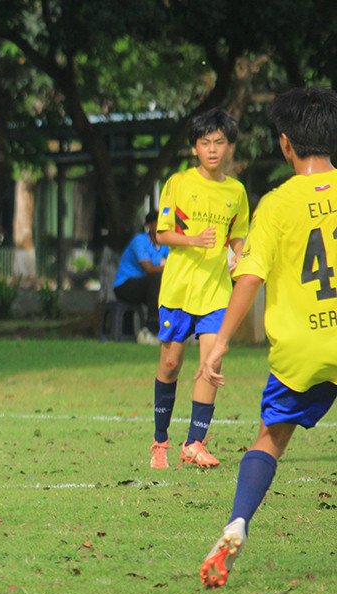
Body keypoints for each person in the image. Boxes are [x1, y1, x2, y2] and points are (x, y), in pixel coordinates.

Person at [197, 86, 337, 588]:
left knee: (271, 437)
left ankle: (238, 521)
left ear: (285, 143)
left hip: (302, 347)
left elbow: (250, 277)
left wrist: (219, 342)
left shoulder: (276, 205)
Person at [148, 109, 250, 469]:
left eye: (219, 142)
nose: (212, 149)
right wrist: (193, 239)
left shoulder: (236, 191)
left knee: (212, 362)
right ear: (194, 148)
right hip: (179, 290)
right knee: (170, 364)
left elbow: (238, 235)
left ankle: (194, 443)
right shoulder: (178, 183)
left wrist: (240, 256)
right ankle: (160, 441)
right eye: (205, 143)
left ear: (230, 147)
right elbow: (162, 234)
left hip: (216, 292)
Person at [113, 210, 169, 344]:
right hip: (125, 285)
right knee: (156, 278)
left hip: (146, 287)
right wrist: (170, 267)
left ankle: (178, 329)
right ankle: (151, 327)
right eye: (158, 223)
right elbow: (149, 269)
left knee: (169, 284)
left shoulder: (164, 245)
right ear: (149, 226)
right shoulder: (140, 241)